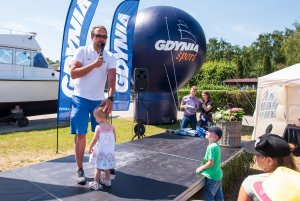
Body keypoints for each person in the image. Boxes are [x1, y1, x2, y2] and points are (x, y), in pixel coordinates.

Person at [70, 25, 116, 184]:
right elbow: (73, 73)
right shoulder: (82, 51)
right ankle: (79, 168)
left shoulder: (110, 56)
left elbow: (112, 79)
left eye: (105, 37)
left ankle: (106, 165)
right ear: (92, 37)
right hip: (80, 98)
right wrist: (94, 65)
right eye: (99, 36)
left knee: (105, 133)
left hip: (98, 100)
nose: (102, 39)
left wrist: (110, 98)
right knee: (80, 134)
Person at [237, 134, 298, 201]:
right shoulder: (296, 181)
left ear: (269, 161)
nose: (255, 157)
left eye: (257, 154)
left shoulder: (251, 182)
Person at [88, 104, 116, 190]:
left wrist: (90, 147)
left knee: (98, 168)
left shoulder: (98, 127)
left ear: (100, 117)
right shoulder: (112, 126)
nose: (95, 119)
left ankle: (96, 183)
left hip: (101, 152)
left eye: (96, 118)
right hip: (109, 152)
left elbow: (95, 139)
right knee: (107, 167)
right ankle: (108, 181)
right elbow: (114, 138)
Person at [196, 126, 224, 201]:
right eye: (208, 130)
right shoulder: (216, 145)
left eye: (210, 131)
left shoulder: (211, 147)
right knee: (219, 194)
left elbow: (210, 163)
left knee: (208, 195)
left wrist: (200, 168)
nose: (207, 131)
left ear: (215, 137)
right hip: (218, 174)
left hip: (212, 176)